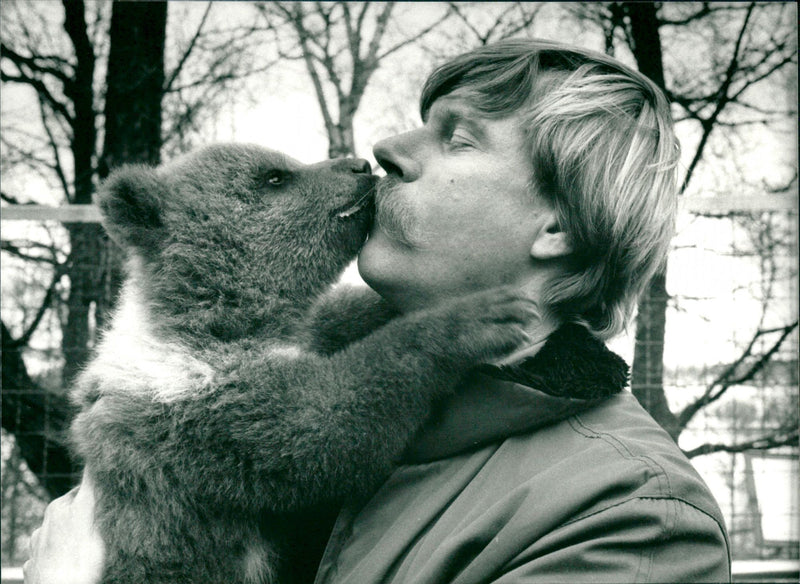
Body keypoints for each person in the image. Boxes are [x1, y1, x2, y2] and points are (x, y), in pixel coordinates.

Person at [24, 39, 730, 583]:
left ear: (559, 226)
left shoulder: (633, 517)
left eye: (457, 136)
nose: (387, 148)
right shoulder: (283, 377)